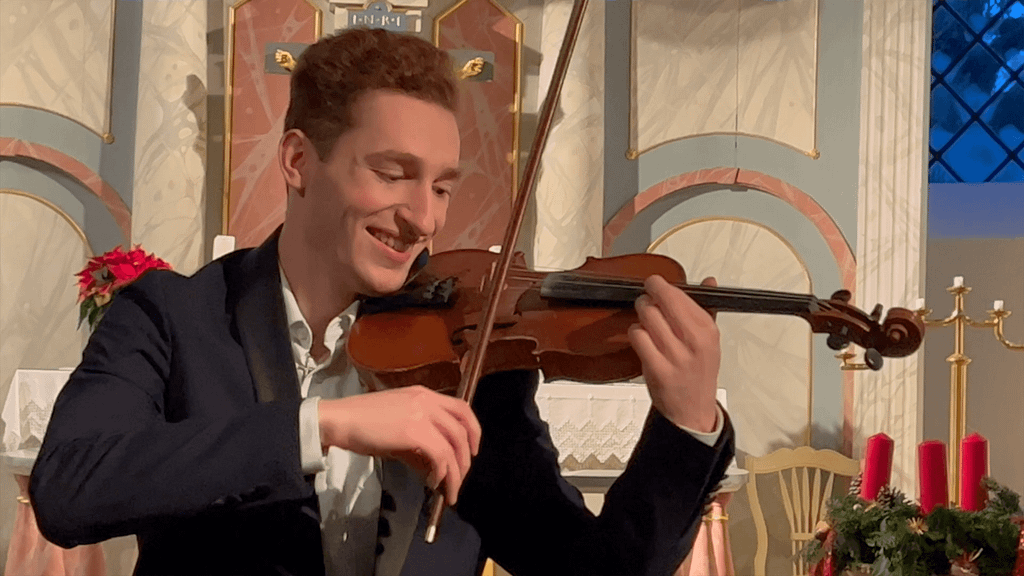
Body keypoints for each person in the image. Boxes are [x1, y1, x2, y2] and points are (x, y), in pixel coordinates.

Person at [30, 27, 735, 576]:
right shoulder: (171, 316)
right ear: (299, 161)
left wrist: (686, 426)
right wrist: (323, 425)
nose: (423, 218)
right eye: (394, 174)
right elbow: (68, 489)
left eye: (442, 187)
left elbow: (590, 569)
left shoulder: (471, 355)